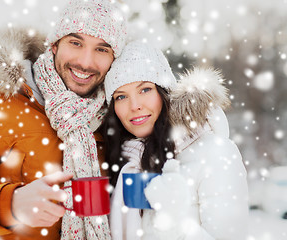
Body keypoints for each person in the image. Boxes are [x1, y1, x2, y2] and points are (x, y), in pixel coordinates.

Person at [0, 0, 127, 239]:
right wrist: (10, 205)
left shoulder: (117, 115)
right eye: (76, 42)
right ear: (54, 45)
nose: (85, 62)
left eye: (102, 49)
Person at [103, 41, 249, 239]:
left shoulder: (216, 154)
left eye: (145, 89)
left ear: (164, 92)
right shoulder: (123, 160)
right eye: (121, 97)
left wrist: (173, 223)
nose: (135, 105)